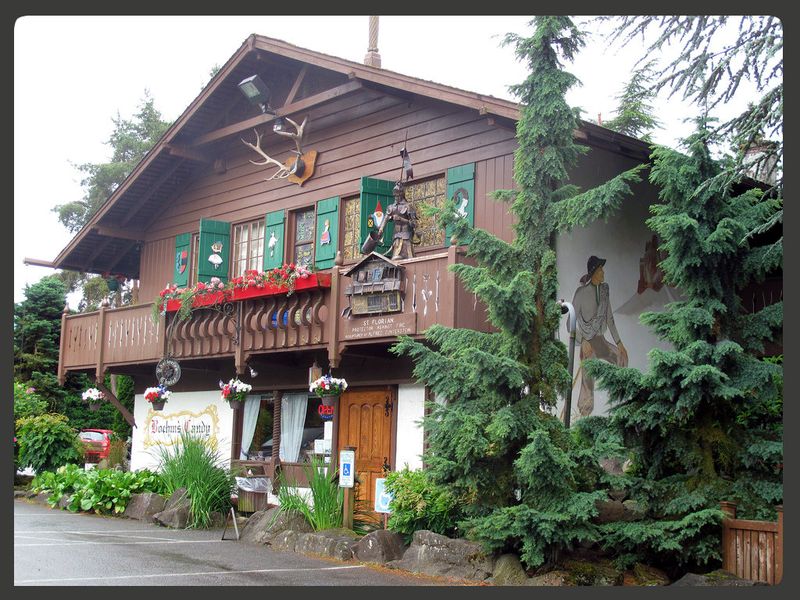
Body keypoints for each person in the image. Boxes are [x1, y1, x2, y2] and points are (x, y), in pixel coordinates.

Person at [570, 255, 628, 419]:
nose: (603, 272)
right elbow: (570, 323)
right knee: (588, 382)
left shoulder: (604, 291)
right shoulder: (581, 293)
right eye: (600, 269)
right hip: (587, 344)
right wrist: (583, 341)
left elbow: (609, 318)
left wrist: (620, 343)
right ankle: (584, 416)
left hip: (601, 340)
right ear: (594, 271)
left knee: (621, 359)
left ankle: (619, 406)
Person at [384, 181, 418, 260]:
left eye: (398, 196)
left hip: (406, 235)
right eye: (395, 196)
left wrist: (401, 219)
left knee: (408, 256)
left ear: (402, 195)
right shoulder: (391, 207)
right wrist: (381, 229)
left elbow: (414, 224)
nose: (396, 198)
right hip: (396, 236)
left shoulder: (408, 206)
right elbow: (385, 219)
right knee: (396, 257)